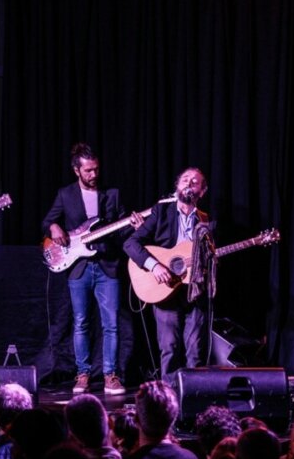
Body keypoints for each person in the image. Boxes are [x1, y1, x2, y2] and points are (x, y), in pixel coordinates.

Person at [43, 143, 139, 394]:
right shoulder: (66, 194)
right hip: (79, 268)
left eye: (96, 170)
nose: (94, 175)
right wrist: (53, 227)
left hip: (107, 266)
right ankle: (83, 374)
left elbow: (122, 229)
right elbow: (48, 220)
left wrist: (135, 225)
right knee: (81, 323)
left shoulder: (112, 194)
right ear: (77, 170)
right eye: (88, 171)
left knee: (111, 324)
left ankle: (110, 376)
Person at [124, 167, 213, 379]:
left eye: (195, 181)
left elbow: (210, 257)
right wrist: (154, 265)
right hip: (164, 289)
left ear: (202, 191)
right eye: (185, 180)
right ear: (177, 186)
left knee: (195, 351)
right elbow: (131, 243)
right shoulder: (161, 212)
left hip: (194, 290)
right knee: (170, 348)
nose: (189, 184)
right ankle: (169, 400)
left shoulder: (206, 220)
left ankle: (194, 396)